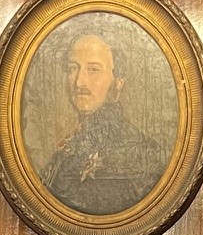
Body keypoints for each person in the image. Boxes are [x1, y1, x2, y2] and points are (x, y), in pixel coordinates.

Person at [39, 32, 170, 216]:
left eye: (93, 69)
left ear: (117, 82)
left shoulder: (142, 152)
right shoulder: (71, 145)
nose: (79, 82)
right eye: (72, 69)